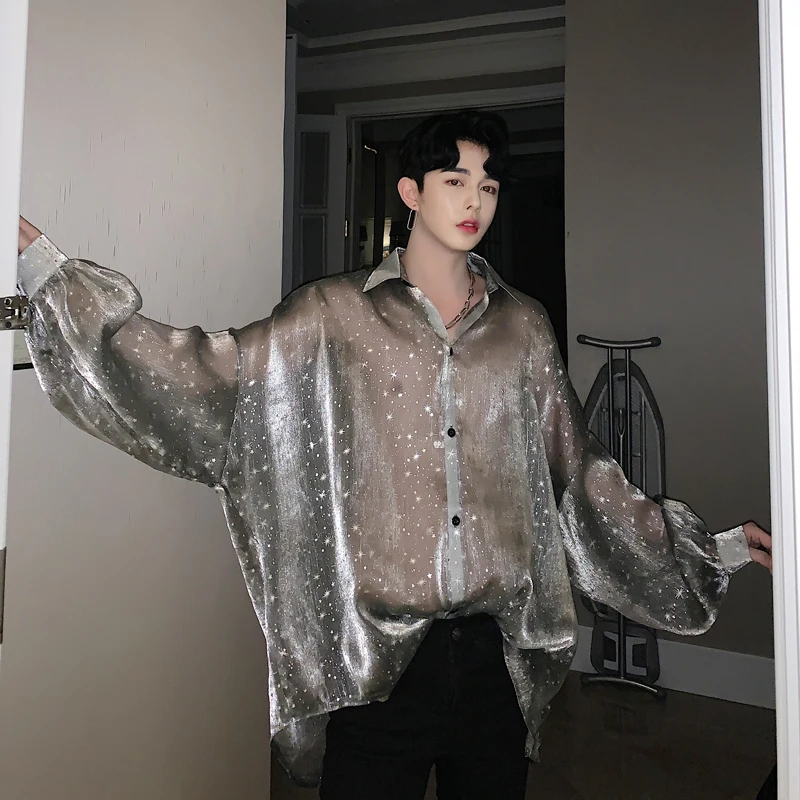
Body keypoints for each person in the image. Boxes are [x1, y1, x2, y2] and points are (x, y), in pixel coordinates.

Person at [16, 109, 772, 800]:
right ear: (411, 192)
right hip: (377, 669)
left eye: (489, 184)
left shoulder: (524, 328)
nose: (475, 200)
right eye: (455, 180)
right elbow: (213, 376)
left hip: (496, 660)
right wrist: (55, 281)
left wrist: (717, 549)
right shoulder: (332, 314)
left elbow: (581, 475)